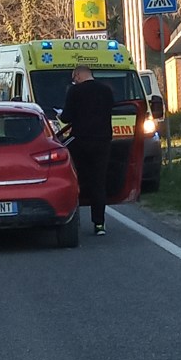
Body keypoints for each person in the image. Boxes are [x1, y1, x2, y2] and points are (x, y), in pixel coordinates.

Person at [60, 66, 113, 235]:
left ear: (78, 75)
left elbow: (66, 116)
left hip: (81, 141)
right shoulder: (106, 90)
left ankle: (71, 220)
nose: (74, 81)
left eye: (74, 78)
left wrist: (60, 115)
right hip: (103, 141)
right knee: (98, 182)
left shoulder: (75, 92)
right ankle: (99, 224)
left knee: (75, 180)